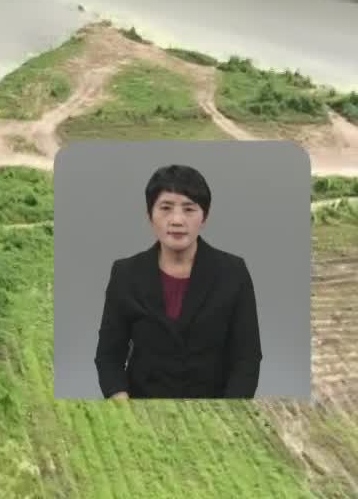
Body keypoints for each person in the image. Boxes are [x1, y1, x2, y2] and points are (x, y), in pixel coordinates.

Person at [95, 164, 261, 399]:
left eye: (189, 209)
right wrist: (124, 409)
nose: (177, 220)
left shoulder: (233, 272)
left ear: (205, 216)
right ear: (149, 215)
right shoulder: (125, 274)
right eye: (165, 208)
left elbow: (247, 357)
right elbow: (108, 356)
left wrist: (230, 415)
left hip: (213, 412)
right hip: (142, 410)